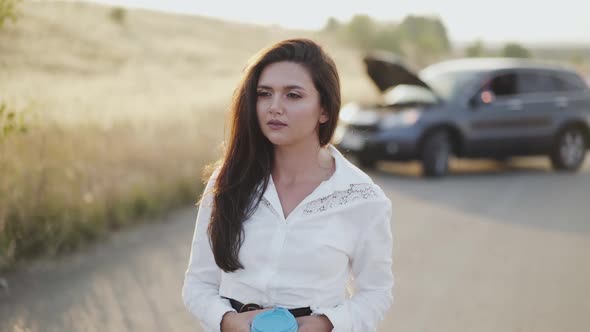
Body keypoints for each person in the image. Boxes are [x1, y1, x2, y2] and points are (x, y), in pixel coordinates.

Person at [182, 38, 394, 332]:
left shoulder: (362, 199)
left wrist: (327, 324)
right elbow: (197, 283)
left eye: (293, 95)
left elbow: (376, 293)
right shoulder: (228, 181)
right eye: (264, 94)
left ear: (324, 110)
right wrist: (228, 321)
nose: (274, 107)